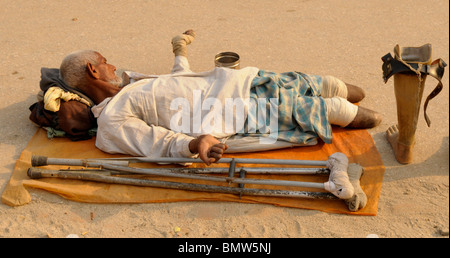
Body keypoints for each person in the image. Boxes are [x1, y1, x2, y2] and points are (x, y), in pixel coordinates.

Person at [58, 30, 382, 165]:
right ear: (93, 70)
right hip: (236, 113)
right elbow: (155, 142)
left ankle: (331, 93)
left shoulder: (129, 83)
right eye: (105, 61)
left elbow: (178, 81)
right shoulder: (112, 121)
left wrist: (179, 49)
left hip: (241, 80)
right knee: (332, 109)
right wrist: (195, 142)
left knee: (319, 84)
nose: (112, 64)